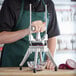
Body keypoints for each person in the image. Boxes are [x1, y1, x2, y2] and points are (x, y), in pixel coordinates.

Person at [0, 0, 60, 70]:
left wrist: (50, 59)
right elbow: (1, 37)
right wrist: (27, 31)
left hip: (39, 66)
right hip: (12, 64)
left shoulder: (49, 4)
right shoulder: (11, 3)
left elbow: (52, 35)